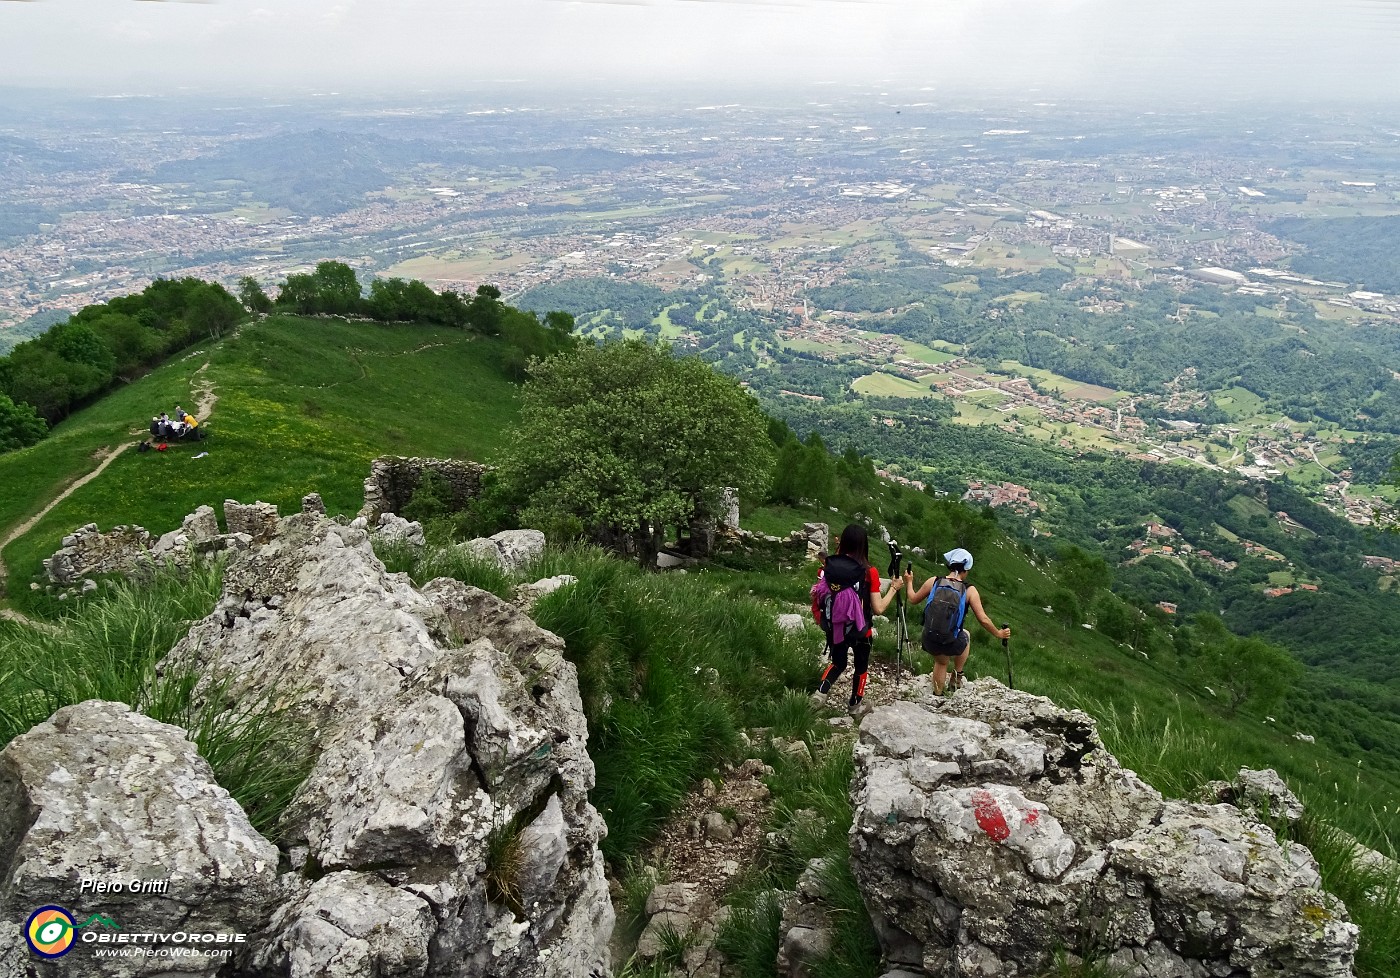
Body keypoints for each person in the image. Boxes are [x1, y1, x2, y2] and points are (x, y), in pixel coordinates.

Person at [811, 524, 901, 713]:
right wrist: (893, 588)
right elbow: (878, 609)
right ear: (864, 545)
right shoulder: (869, 571)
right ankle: (855, 705)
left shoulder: (830, 566)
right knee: (860, 667)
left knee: (838, 662)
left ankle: (820, 693)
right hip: (861, 630)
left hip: (835, 627)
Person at [906, 548, 1010, 695]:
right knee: (965, 635)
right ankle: (957, 674)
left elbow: (912, 599)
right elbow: (983, 619)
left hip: (929, 637)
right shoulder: (969, 590)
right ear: (966, 569)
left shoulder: (934, 581)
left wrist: (909, 581)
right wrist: (999, 633)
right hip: (951, 641)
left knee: (941, 662)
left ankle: (937, 695)